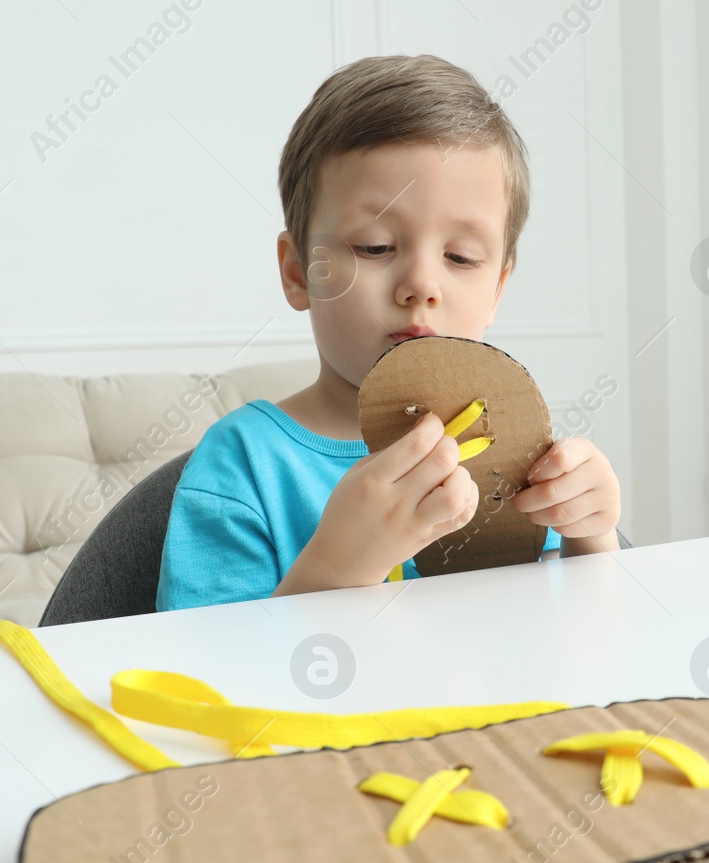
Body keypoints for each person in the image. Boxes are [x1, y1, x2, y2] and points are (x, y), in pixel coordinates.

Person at [155, 54, 621, 610]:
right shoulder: (245, 465)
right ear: (298, 271)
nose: (421, 285)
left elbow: (577, 638)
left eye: (461, 256)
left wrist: (590, 540)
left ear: (497, 287)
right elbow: (206, 682)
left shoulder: (509, 446)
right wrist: (336, 567)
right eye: (375, 247)